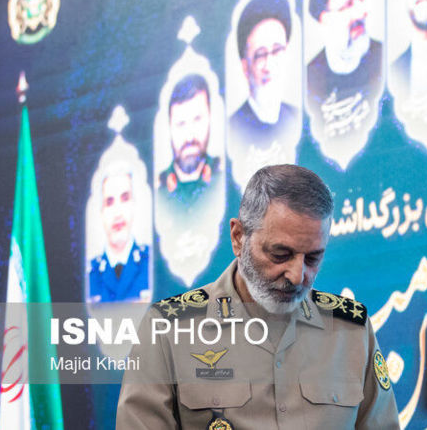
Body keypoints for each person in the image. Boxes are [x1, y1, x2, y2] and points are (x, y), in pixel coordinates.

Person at [117, 165, 401, 429]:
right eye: (280, 254)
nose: (297, 275)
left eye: (313, 258)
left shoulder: (352, 330)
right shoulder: (167, 329)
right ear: (238, 237)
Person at [306, 0, 383, 138]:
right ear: (325, 19)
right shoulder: (309, 81)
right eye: (348, 4)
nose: (360, 12)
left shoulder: (384, 59)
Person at [229, 0, 300, 150]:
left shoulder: (296, 118)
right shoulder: (233, 129)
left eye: (277, 51)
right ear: (245, 67)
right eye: (260, 55)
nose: (269, 65)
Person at [157, 74, 221, 210]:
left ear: (210, 119)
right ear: (169, 128)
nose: (189, 137)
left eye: (197, 120)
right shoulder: (158, 188)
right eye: (181, 124)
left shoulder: (222, 174)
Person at [89, 167, 150, 303]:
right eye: (109, 202)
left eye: (125, 198)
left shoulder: (152, 264)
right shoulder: (89, 275)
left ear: (134, 205)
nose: (118, 213)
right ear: (101, 212)